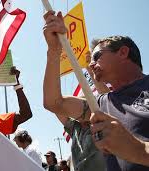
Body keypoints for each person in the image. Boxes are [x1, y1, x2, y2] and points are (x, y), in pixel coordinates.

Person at [42, 9, 149, 170]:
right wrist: (54, 50)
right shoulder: (99, 104)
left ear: (123, 52)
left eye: (97, 56)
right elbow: (54, 103)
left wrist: (139, 150)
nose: (91, 65)